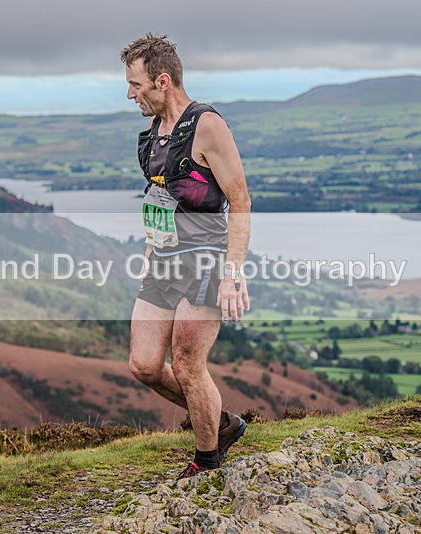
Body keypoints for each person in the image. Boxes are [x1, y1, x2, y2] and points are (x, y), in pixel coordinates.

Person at [120, 33, 252, 480]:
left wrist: (233, 274)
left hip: (208, 260)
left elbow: (241, 201)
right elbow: (159, 199)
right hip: (163, 261)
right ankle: (221, 424)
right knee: (144, 364)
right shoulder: (151, 138)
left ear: (162, 81)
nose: (130, 94)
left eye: (136, 85)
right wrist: (149, 248)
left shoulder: (208, 125)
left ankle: (207, 461)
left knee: (188, 364)